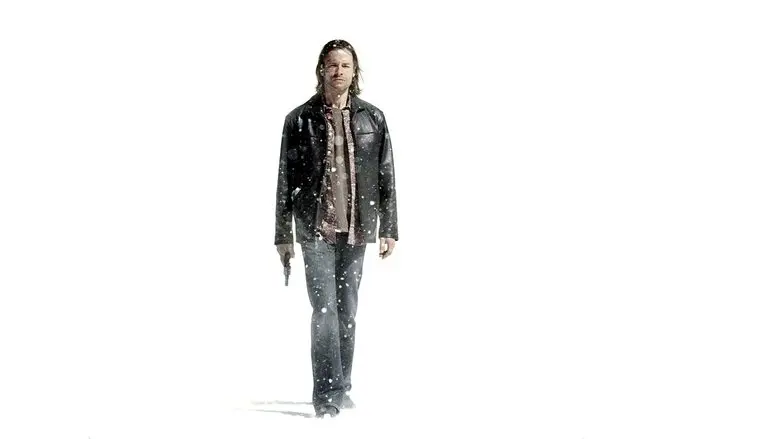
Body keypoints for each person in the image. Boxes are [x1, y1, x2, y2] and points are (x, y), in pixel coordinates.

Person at [273, 39, 399, 418]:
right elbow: (284, 179)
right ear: (321, 70)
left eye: (345, 65)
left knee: (347, 311)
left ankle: (342, 387)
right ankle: (327, 395)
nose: (338, 71)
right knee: (325, 310)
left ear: (354, 71)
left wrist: (389, 228)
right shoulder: (299, 120)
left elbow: (386, 174)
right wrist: (283, 235)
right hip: (315, 228)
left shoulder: (373, 118)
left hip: (357, 227)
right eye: (332, 65)